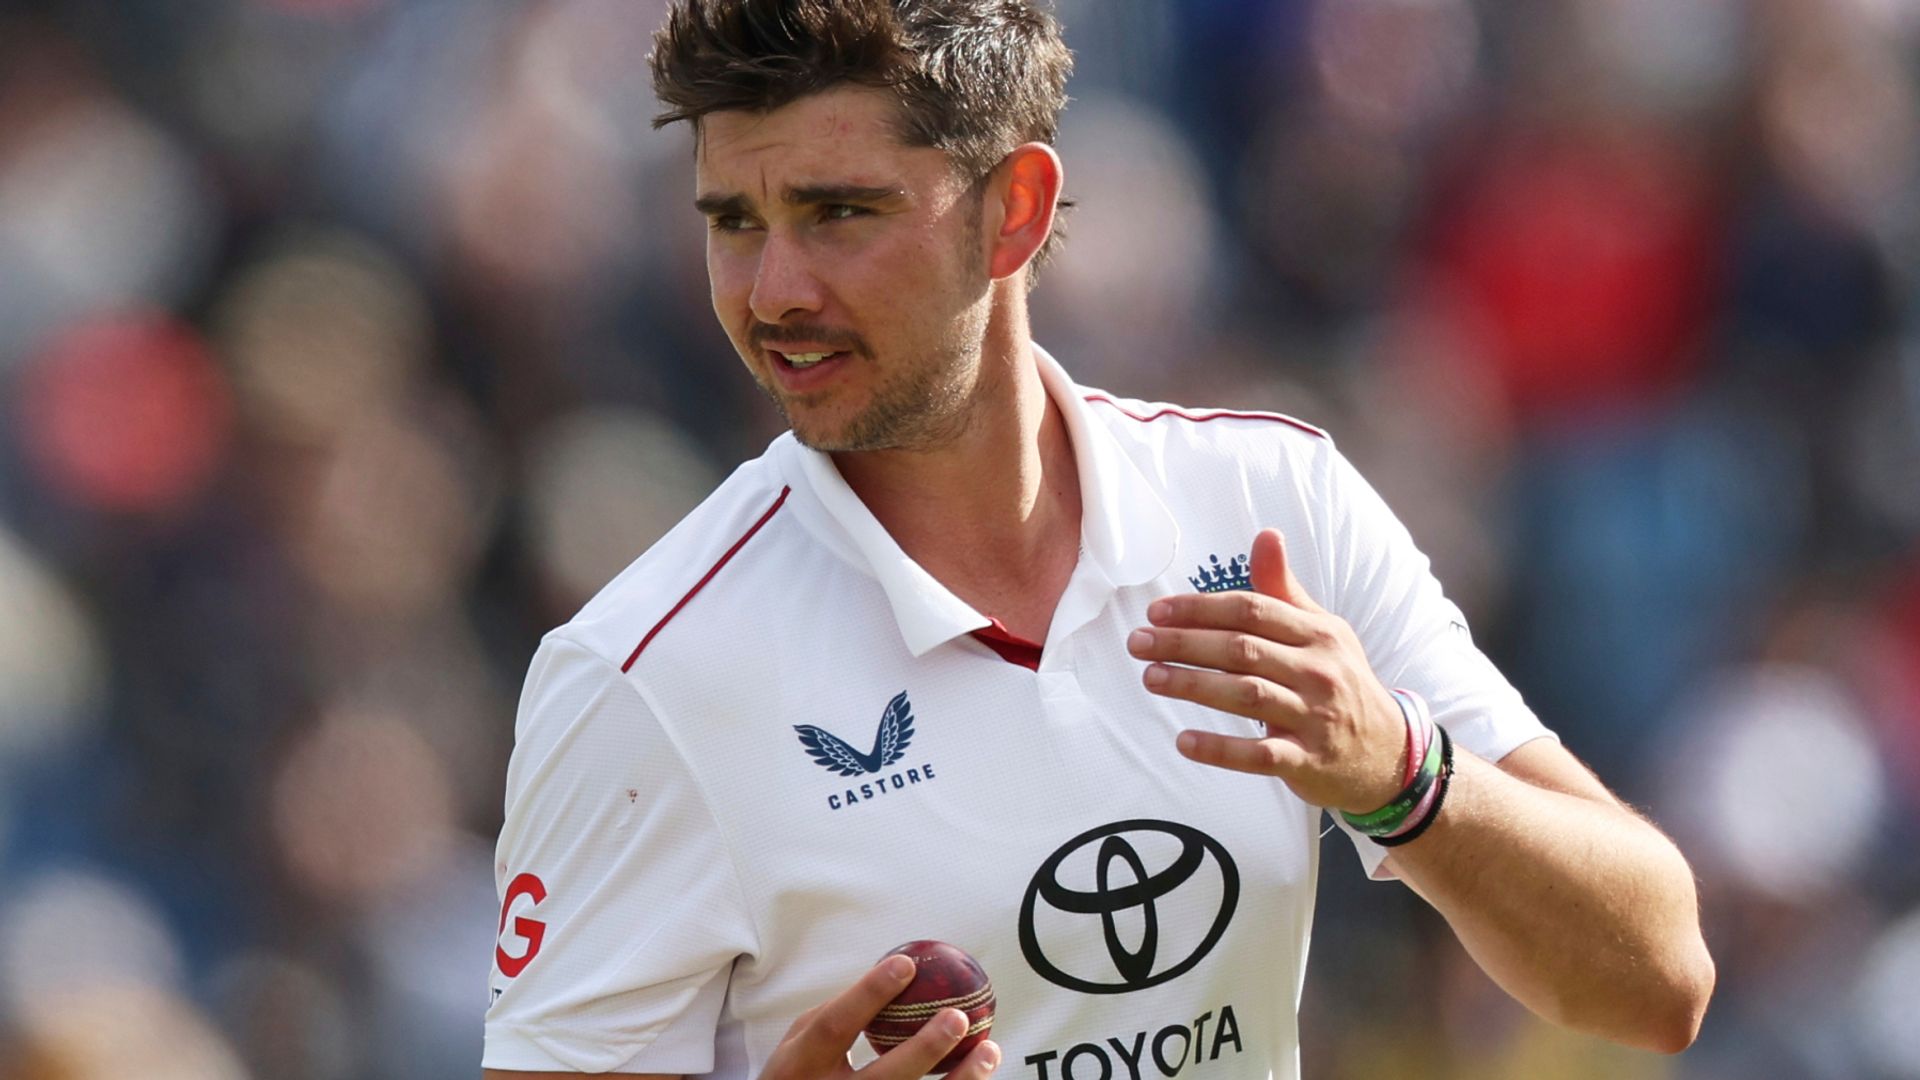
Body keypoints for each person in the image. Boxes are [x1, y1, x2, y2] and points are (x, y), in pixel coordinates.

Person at [482, 2, 1715, 1077]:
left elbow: (1660, 979)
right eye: (734, 222)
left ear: (1014, 211)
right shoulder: (636, 678)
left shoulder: (1271, 502)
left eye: (839, 212)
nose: (773, 291)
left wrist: (1401, 772)